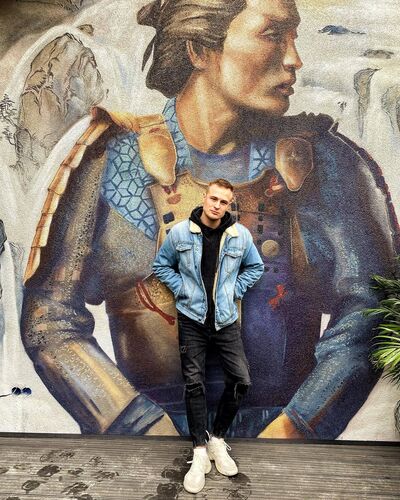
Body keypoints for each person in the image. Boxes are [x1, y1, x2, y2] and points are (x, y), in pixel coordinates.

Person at [21, 0, 398, 448]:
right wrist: (138, 427)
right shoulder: (112, 161)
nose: (295, 58)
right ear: (199, 49)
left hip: (291, 451)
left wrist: (299, 426)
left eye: (294, 36)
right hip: (145, 451)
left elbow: (373, 306)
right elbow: (50, 318)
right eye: (273, 35)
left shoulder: (327, 162)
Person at [152, 178, 263, 492]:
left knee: (241, 379)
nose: (217, 206)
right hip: (192, 320)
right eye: (213, 199)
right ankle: (199, 451)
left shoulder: (240, 236)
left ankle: (216, 439)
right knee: (194, 383)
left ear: (229, 204)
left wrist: (234, 291)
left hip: (225, 320)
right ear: (205, 197)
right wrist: (182, 289)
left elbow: (256, 267)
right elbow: (161, 266)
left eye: (223, 202)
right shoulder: (180, 233)